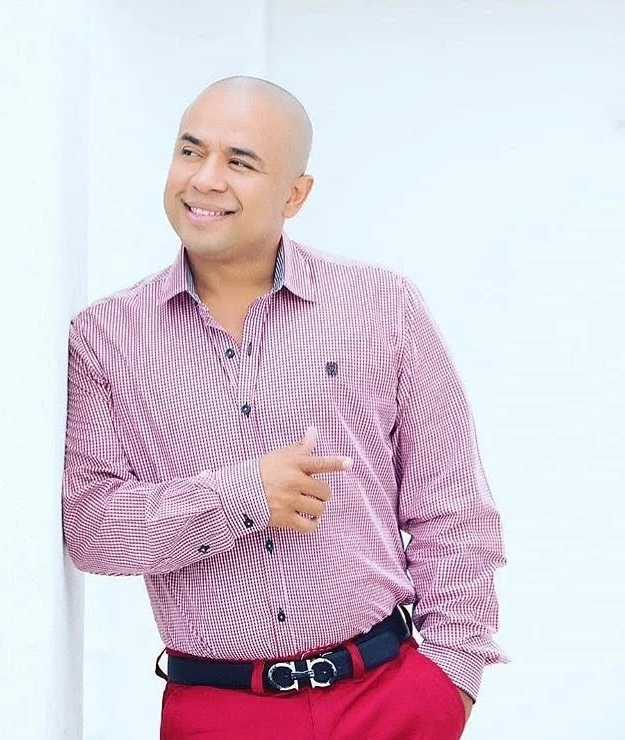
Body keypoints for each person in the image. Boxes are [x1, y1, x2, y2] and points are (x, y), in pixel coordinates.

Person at [61, 76, 510, 739]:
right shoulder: (106, 338)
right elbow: (91, 529)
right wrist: (244, 494)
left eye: (240, 162)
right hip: (217, 713)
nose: (205, 179)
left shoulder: (381, 307)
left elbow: (454, 509)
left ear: (294, 194)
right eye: (190, 151)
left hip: (386, 699)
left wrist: (450, 680)